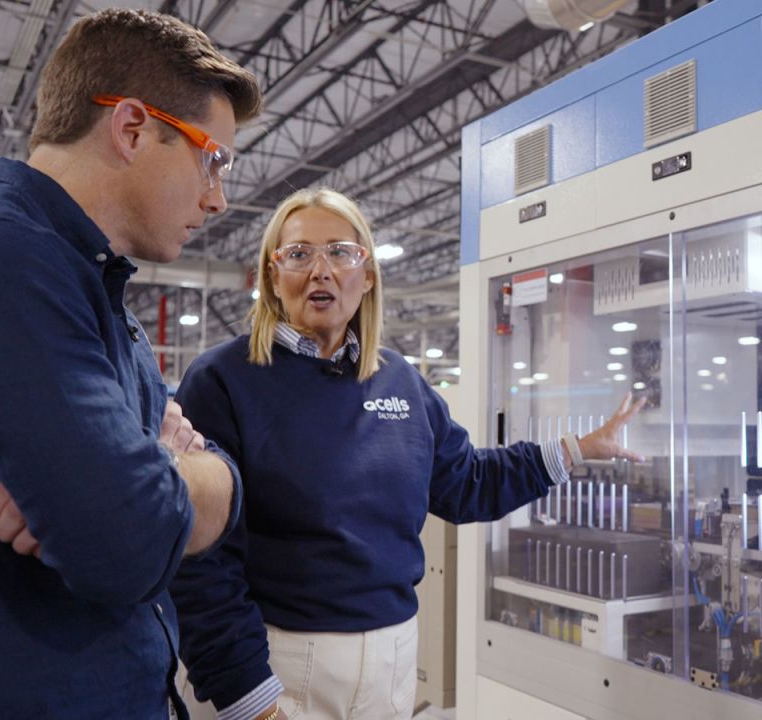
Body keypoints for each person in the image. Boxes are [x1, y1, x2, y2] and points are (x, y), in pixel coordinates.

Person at [0, 8, 262, 718]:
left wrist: (162, 474)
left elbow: (210, 483)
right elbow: (126, 541)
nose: (218, 196)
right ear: (133, 128)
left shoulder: (100, 303)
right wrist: (133, 486)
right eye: (213, 158)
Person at [169, 187, 646, 720]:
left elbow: (467, 483)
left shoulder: (401, 382)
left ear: (367, 275)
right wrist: (250, 699)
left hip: (391, 663)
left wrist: (574, 450)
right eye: (299, 254)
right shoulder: (223, 380)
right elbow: (200, 558)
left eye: (341, 252)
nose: (320, 270)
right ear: (272, 277)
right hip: (277, 663)